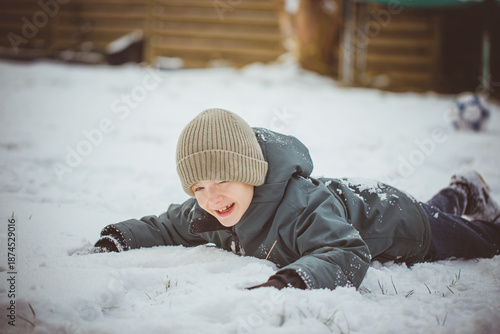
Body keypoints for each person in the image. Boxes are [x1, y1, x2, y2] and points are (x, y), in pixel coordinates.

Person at [94, 108, 500, 290]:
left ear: (252, 173)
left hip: (401, 221)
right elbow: (165, 225)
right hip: (372, 201)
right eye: (198, 187)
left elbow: (345, 250)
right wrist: (122, 236)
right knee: (443, 211)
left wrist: (299, 277)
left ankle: (471, 207)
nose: (212, 196)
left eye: (222, 179)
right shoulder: (210, 209)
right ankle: (462, 189)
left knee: (478, 239)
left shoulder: (300, 207)